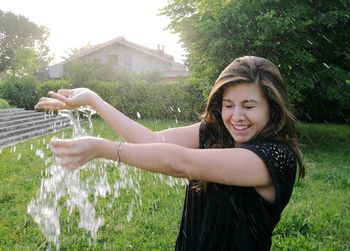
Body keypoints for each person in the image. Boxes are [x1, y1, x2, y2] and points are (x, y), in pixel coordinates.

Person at [35, 56, 305, 250]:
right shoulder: (214, 133)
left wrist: (102, 148)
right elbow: (151, 140)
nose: (236, 117)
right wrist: (95, 100)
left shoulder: (275, 157)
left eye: (248, 106)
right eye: (228, 105)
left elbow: (180, 162)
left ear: (272, 107)